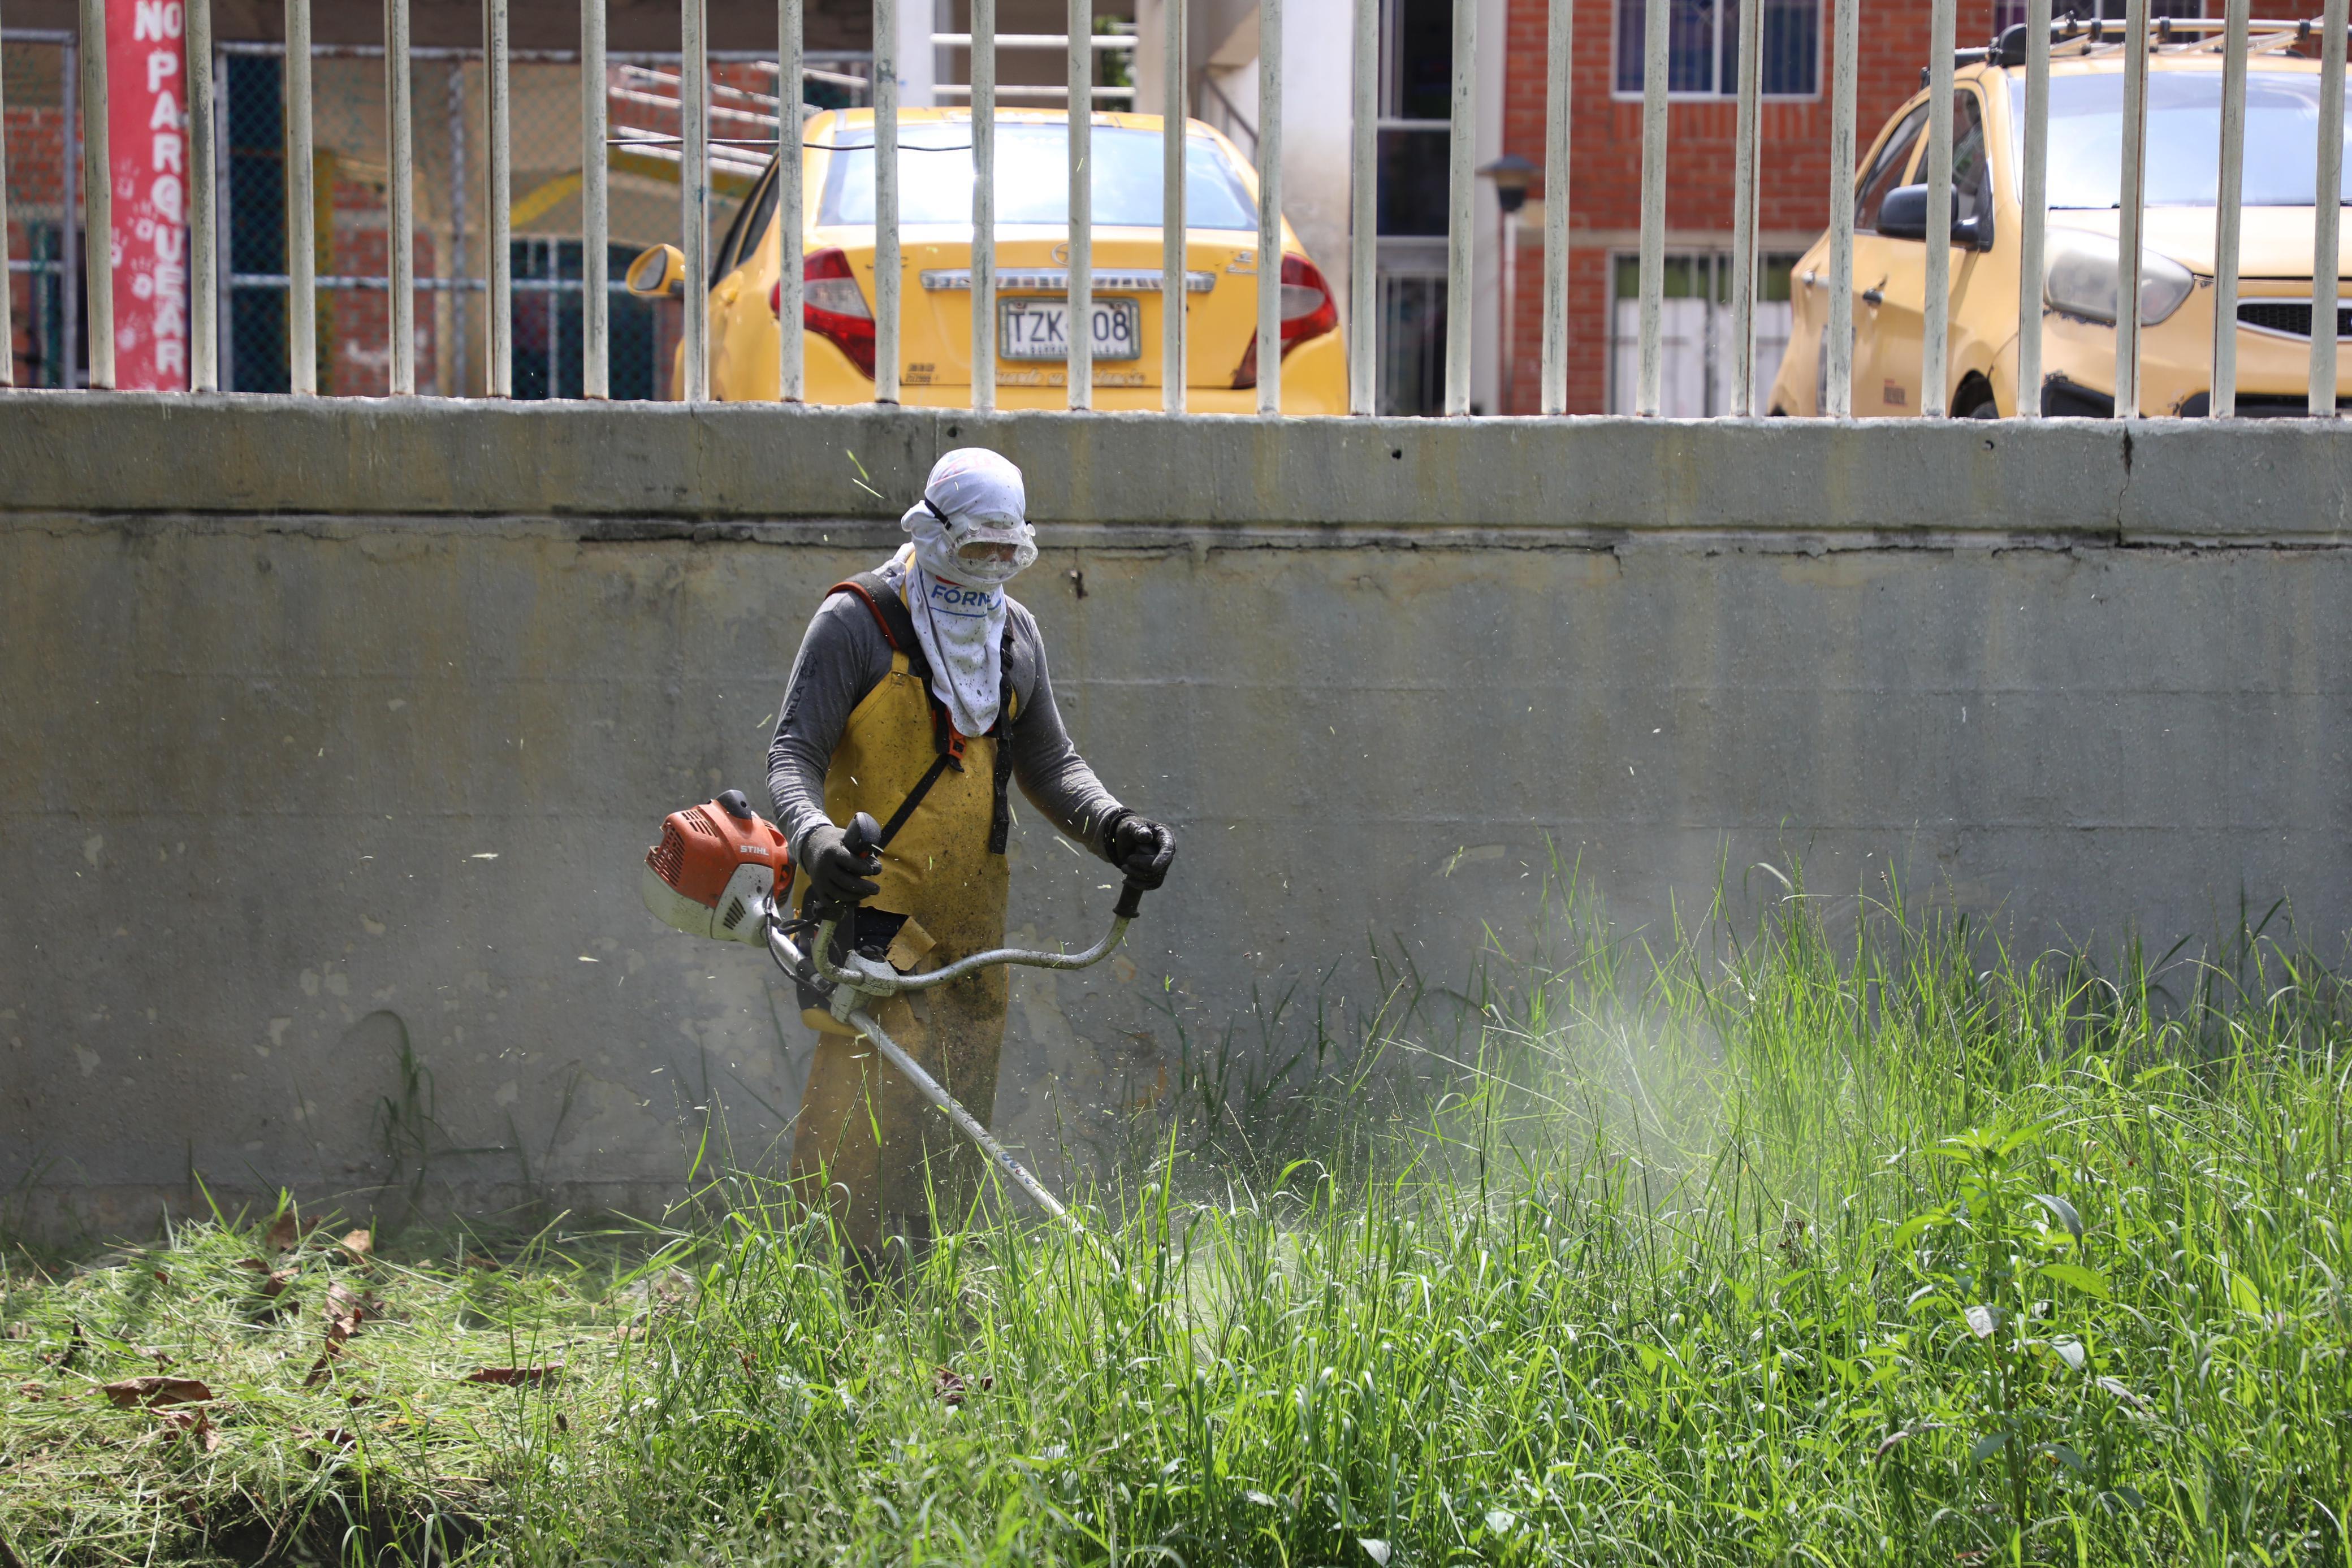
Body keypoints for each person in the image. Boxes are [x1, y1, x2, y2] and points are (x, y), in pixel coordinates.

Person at [766, 448, 1176, 1262]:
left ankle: (933, 1294)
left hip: (973, 929)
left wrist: (1115, 827)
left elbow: (1052, 765)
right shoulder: (858, 622)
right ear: (931, 531)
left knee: (955, 1128)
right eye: (972, 551)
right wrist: (816, 839)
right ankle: (825, 1297)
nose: (987, 571)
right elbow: (791, 757)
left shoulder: (1015, 633)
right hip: (873, 920)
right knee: (855, 1122)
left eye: (1004, 554)